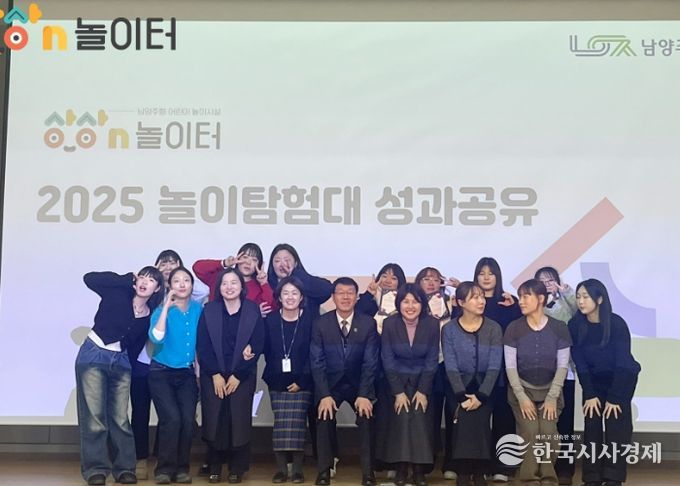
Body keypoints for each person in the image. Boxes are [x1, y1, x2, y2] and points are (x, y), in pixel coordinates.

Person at [76, 267, 163, 486]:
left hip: (121, 362)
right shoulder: (118, 292)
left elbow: (136, 347)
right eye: (142, 276)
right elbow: (89, 278)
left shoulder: (149, 315)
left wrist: (127, 366)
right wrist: (125, 279)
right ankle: (95, 469)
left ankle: (125, 468)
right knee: (94, 417)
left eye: (151, 280)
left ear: (157, 288)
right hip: (94, 354)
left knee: (120, 418)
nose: (145, 282)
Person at [568, 279, 641, 486]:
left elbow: (623, 362)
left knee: (616, 425)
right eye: (578, 297)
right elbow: (580, 363)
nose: (581, 301)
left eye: (586, 297)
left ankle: (613, 476)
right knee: (592, 425)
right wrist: (590, 394)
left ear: (599, 299)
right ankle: (592, 476)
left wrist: (615, 397)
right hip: (593, 380)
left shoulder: (616, 324)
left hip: (621, 379)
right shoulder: (575, 325)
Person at [196, 267, 265, 484]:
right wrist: (215, 374)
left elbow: (258, 343)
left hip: (241, 376)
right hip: (213, 376)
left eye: (234, 282)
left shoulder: (252, 310)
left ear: (241, 286)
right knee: (215, 420)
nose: (229, 287)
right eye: (224, 283)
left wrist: (238, 375)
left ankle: (237, 468)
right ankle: (214, 466)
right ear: (219, 288)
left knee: (239, 421)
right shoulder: (209, 310)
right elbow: (203, 346)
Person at [310, 277, 380, 486]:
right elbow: (317, 361)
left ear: (357, 297)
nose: (346, 297)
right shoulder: (321, 323)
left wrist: (365, 394)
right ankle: (324, 471)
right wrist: (324, 394)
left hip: (359, 384)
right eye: (341, 292)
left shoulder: (368, 323)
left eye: (350, 293)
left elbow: (371, 362)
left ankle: (368, 473)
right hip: (331, 384)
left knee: (367, 418)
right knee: (323, 416)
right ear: (333, 297)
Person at [503, 279, 571, 486]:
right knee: (531, 432)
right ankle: (528, 479)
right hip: (522, 390)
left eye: (526, 296)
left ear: (540, 298)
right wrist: (522, 397)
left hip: (551, 391)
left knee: (549, 433)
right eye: (520, 296)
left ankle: (548, 478)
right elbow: (510, 367)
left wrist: (552, 397)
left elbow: (563, 366)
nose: (521, 301)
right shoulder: (514, 328)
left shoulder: (559, 328)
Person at [378, 283, 440, 486]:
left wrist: (423, 390)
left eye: (415, 302)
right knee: (401, 421)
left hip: (423, 381)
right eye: (406, 301)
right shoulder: (389, 324)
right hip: (396, 383)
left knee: (421, 421)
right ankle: (401, 469)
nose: (410, 306)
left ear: (422, 304)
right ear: (398, 303)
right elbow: (387, 359)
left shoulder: (432, 324)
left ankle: (420, 471)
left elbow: (432, 359)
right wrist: (398, 392)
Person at [442, 282, 503, 486]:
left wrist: (481, 396)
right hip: (458, 386)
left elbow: (494, 365)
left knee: (480, 420)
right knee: (462, 420)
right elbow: (450, 365)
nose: (481, 301)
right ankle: (463, 470)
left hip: (485, 387)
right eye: (475, 297)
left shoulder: (494, 328)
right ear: (461, 302)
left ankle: (480, 471)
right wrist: (461, 395)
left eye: (482, 297)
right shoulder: (449, 329)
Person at [147, 267, 202, 484]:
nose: (181, 284)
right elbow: (156, 338)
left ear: (192, 285)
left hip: (186, 373)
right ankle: (164, 469)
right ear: (170, 286)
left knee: (187, 420)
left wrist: (199, 373)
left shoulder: (198, 309)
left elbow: (200, 343)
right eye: (176, 280)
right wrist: (165, 308)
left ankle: (181, 468)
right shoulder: (161, 310)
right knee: (172, 419)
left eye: (186, 280)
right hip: (161, 372)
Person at [473, 257, 521, 483]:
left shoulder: (508, 301)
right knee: (479, 420)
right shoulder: (470, 301)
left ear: (497, 276)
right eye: (481, 273)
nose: (486, 277)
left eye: (490, 273)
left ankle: (504, 466)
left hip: (502, 369)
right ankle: (479, 465)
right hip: (477, 369)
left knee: (504, 418)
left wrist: (515, 306)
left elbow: (518, 329)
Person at [262, 277, 314, 484]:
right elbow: (265, 349)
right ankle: (282, 470)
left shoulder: (310, 320)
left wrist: (302, 380)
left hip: (303, 381)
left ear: (301, 297)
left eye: (294, 293)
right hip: (276, 380)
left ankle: (298, 469)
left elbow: (314, 354)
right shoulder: (270, 320)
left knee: (298, 425)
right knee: (281, 425)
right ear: (279, 297)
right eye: (285, 293)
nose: (290, 297)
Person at [535, 266, 578, 485]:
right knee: (542, 425)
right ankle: (542, 467)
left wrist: (566, 292)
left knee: (565, 425)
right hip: (539, 374)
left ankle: (565, 469)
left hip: (565, 372)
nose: (547, 284)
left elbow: (579, 313)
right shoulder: (534, 305)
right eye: (542, 281)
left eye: (550, 280)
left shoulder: (567, 304)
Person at [414, 266, 456, 479]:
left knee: (453, 413)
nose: (431, 282)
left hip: (450, 364)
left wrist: (460, 290)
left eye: (435, 279)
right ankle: (425, 461)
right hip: (426, 365)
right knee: (429, 414)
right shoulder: (413, 306)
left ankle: (451, 462)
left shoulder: (452, 302)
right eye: (426, 278)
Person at [193, 242, 276, 311]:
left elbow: (270, 307)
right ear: (238, 259)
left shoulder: (259, 287)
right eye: (245, 257)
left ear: (259, 264)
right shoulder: (221, 276)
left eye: (254, 260)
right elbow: (197, 268)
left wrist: (264, 283)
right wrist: (224, 263)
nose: (248, 262)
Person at [267, 243, 333, 319]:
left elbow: (328, 289)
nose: (282, 264)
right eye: (277, 261)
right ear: (272, 265)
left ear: (295, 263)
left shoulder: (306, 282)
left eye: (287, 260)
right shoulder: (266, 285)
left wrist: (295, 274)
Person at [356, 263, 406, 333]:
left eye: (393, 278)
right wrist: (369, 293)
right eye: (384, 276)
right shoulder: (370, 297)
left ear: (400, 282)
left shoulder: (404, 301)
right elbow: (357, 313)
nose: (388, 281)